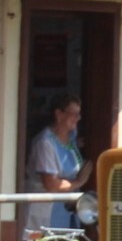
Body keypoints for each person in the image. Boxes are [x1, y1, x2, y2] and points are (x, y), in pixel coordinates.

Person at [28, 93, 92, 232]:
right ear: (59, 114)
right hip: (47, 211)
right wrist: (79, 182)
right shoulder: (45, 143)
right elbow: (51, 184)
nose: (78, 118)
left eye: (79, 113)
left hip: (67, 209)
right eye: (73, 113)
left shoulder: (71, 136)